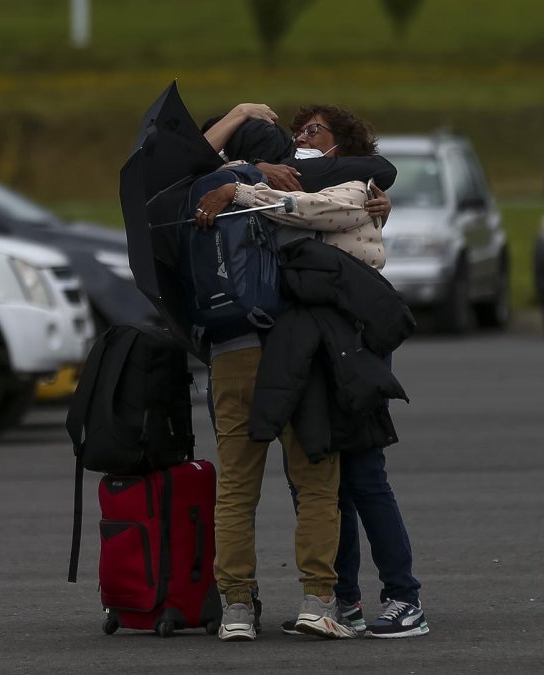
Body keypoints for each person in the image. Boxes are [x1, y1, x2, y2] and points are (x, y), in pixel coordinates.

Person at [196, 104, 428, 640]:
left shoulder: (355, 183)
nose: (301, 137)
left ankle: (403, 596)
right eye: (297, 130)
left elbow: (315, 211)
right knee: (322, 478)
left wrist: (241, 189)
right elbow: (203, 166)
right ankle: (342, 599)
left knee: (363, 473)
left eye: (313, 129)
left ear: (342, 140)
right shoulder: (282, 176)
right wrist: (247, 171)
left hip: (356, 337)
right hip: (312, 341)